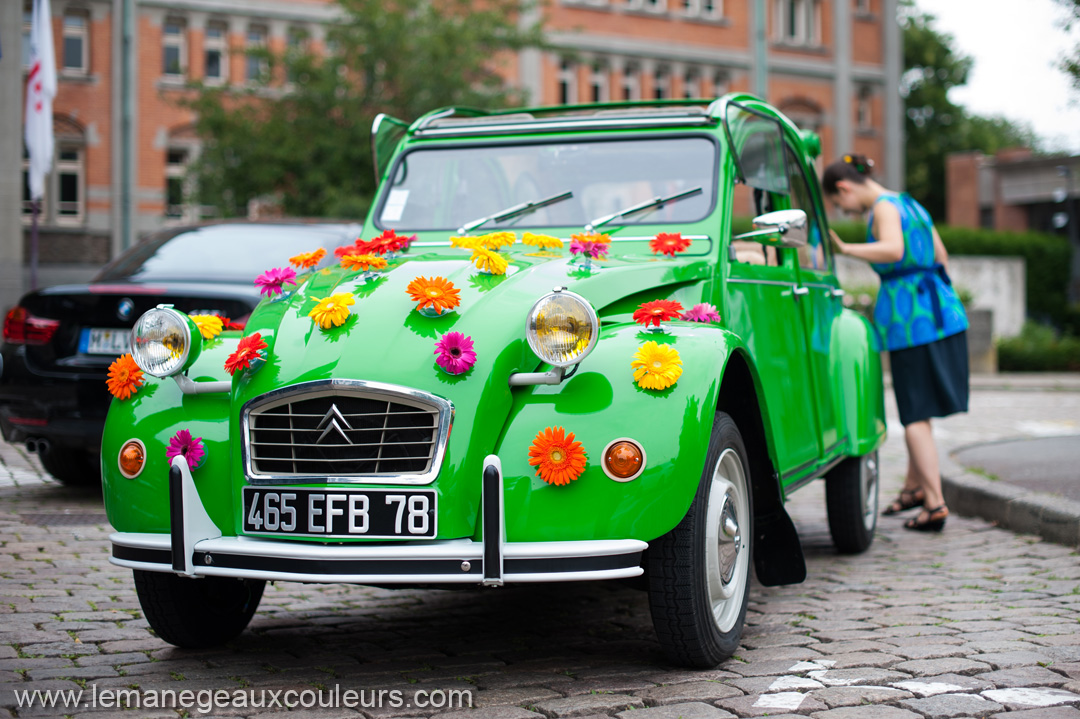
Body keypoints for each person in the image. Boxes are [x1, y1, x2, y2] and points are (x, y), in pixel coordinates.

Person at [822, 153, 969, 532]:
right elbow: (942, 256)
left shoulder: (883, 208)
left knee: (914, 414)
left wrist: (846, 248)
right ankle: (914, 488)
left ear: (844, 187)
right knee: (923, 410)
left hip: (911, 321)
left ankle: (935, 503)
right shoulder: (909, 202)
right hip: (943, 312)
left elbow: (893, 251)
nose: (846, 211)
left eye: (840, 205)